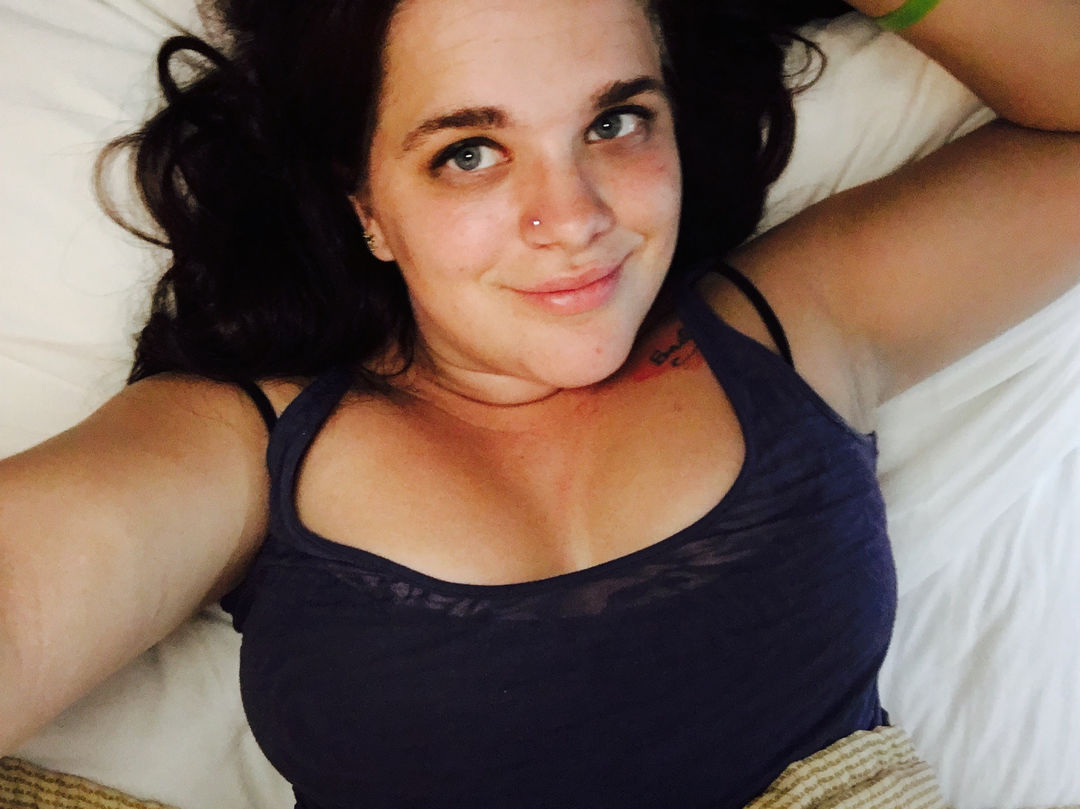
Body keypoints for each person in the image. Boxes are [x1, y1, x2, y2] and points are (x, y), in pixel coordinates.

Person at [1, 0, 1077, 806]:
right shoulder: (244, 440)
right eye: (469, 153)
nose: (571, 217)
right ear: (364, 200)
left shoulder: (791, 322)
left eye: (615, 122)